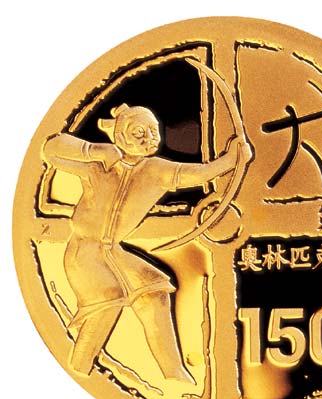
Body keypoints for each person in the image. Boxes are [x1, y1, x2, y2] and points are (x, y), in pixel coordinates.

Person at [42, 103, 252, 382]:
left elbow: (200, 173)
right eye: (139, 132)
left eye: (153, 131)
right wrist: (94, 150)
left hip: (114, 253)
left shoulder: (156, 170)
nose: (148, 138)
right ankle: (79, 367)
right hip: (85, 252)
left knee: (155, 293)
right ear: (119, 135)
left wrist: (231, 160)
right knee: (108, 297)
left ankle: (173, 374)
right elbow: (51, 149)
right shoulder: (98, 166)